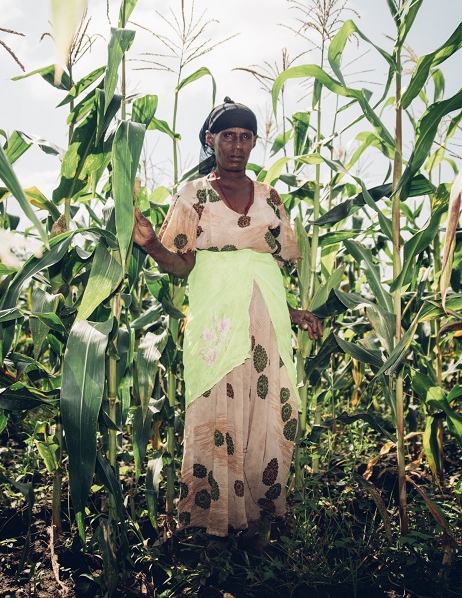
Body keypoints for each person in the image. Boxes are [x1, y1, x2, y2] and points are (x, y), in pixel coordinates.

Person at [132, 97, 322, 551]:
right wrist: (149, 244)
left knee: (268, 409)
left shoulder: (271, 196)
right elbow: (181, 266)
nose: (237, 145)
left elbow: (273, 266)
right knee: (219, 408)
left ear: (254, 142)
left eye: (246, 137)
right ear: (210, 140)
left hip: (267, 316)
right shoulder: (193, 194)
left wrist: (292, 312)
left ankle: (259, 520)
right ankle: (214, 522)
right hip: (217, 318)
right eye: (228, 136)